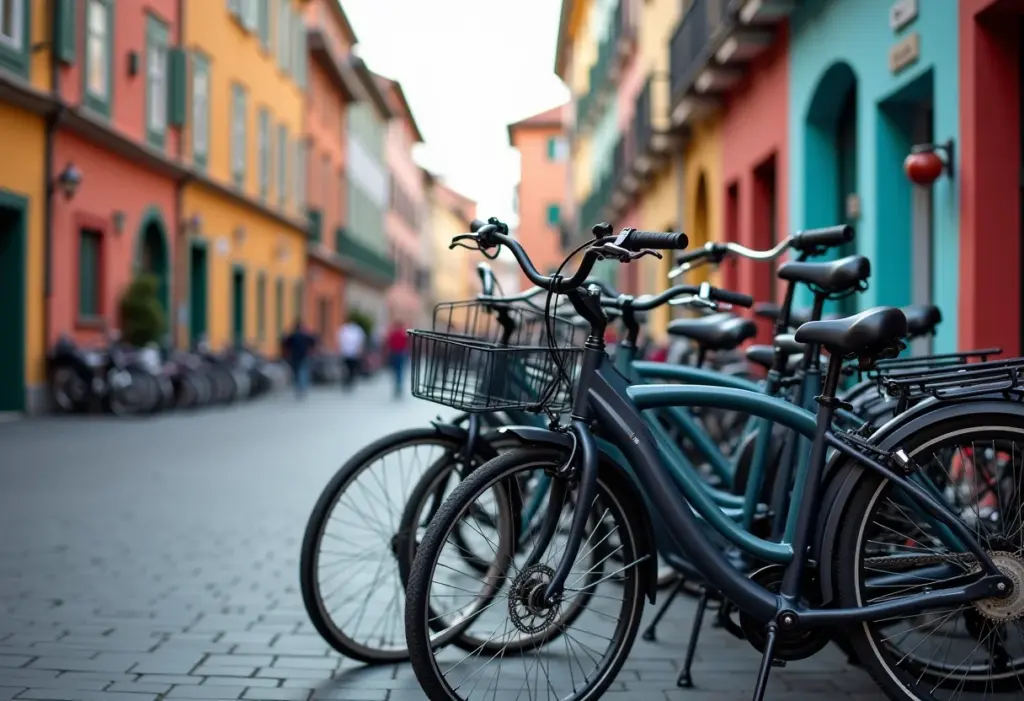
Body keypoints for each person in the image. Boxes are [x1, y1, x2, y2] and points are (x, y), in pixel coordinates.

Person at [281, 320, 317, 399]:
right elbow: (313, 341)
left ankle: (298, 388)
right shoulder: (305, 336)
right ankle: (303, 387)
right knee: (303, 372)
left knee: (297, 372)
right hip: (304, 356)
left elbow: (286, 344)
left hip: (295, 356)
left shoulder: (293, 336)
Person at [338, 316, 366, 390]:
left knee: (350, 369)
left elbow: (360, 341)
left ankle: (349, 381)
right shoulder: (345, 329)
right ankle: (348, 381)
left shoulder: (348, 329)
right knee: (348, 369)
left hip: (351, 352)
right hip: (348, 352)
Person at [385, 319, 409, 399]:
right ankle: (399, 385)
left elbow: (389, 344)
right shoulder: (403, 334)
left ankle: (398, 385)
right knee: (400, 370)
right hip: (400, 353)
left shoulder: (393, 334)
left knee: (396, 370)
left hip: (395, 353)